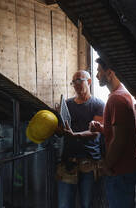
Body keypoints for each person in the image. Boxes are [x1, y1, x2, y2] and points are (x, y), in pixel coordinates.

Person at [89, 58, 136, 208]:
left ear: (110, 73)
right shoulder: (122, 95)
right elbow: (118, 130)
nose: (97, 75)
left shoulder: (116, 99)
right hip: (126, 166)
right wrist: (100, 128)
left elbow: (119, 140)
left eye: (99, 71)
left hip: (119, 169)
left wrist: (106, 165)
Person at [56, 70, 105, 208]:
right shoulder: (67, 105)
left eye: (79, 80)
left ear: (89, 82)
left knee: (87, 204)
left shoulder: (98, 104)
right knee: (64, 205)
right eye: (73, 82)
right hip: (68, 162)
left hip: (89, 162)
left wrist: (75, 135)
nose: (76, 84)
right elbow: (61, 132)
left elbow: (95, 133)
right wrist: (57, 126)